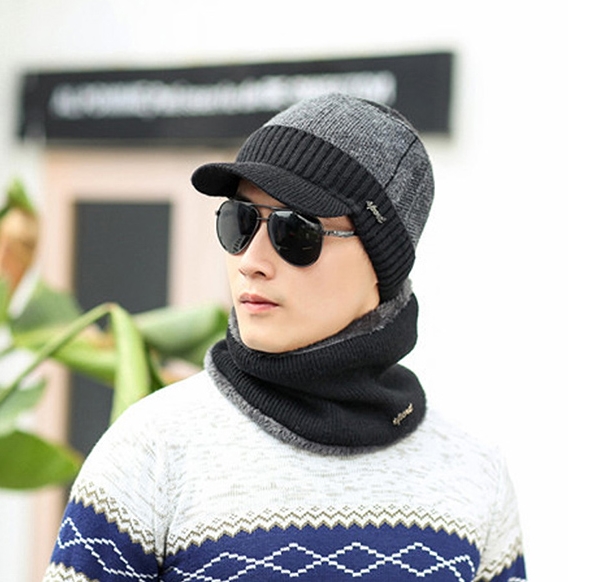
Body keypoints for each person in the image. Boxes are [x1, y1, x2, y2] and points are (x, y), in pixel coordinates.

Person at [43, 93, 527, 581]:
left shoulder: (473, 474)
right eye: (239, 220)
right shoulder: (153, 451)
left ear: (383, 264)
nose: (251, 260)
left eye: (296, 232)